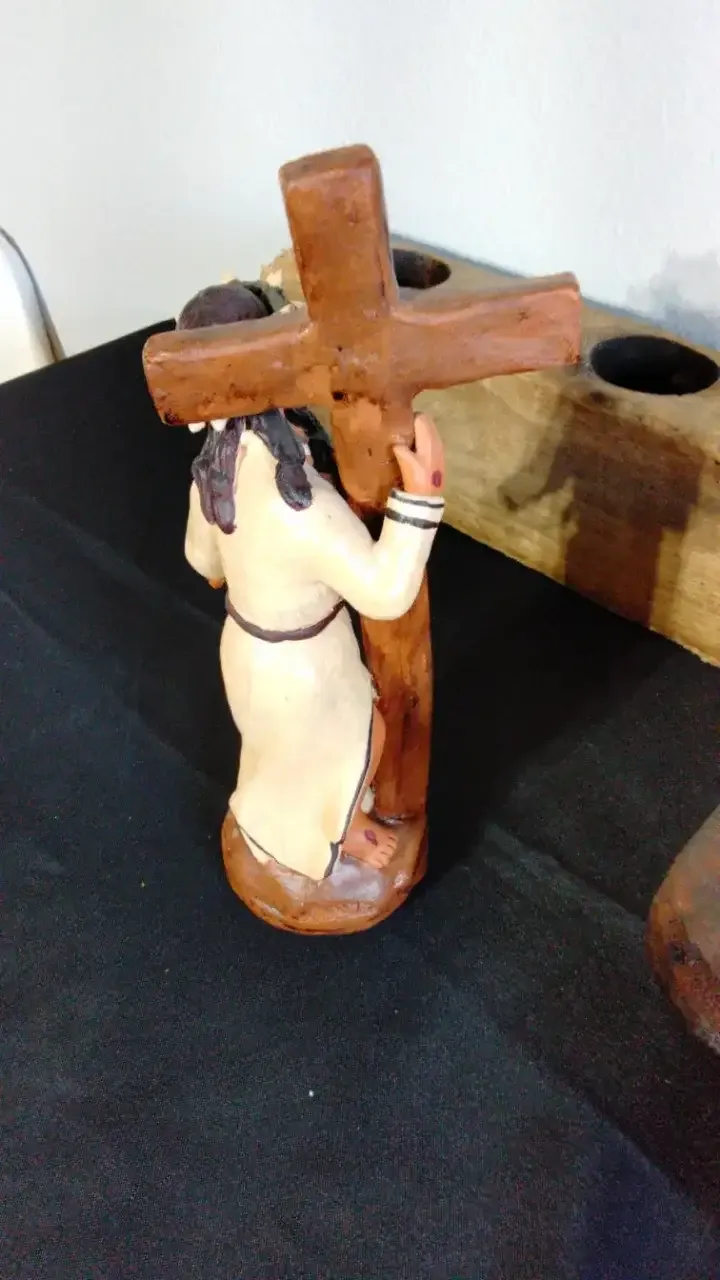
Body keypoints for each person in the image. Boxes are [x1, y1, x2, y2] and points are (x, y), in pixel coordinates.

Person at [179, 282, 445, 883]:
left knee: (281, 758)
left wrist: (240, 570)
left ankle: (300, 826)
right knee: (357, 743)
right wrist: (421, 501)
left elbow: (201, 559)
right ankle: (336, 835)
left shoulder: (213, 476)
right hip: (303, 662)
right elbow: (383, 591)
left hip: (245, 650)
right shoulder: (297, 504)